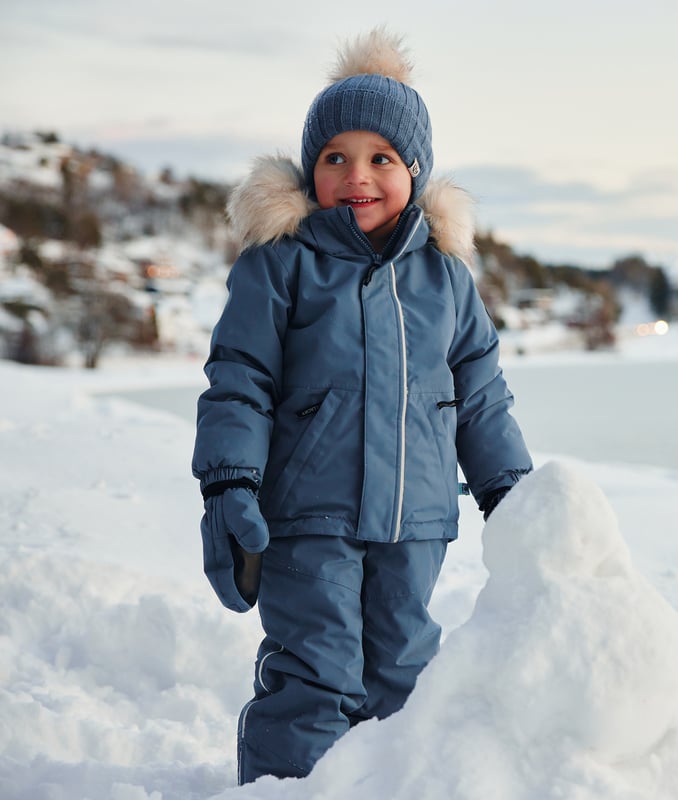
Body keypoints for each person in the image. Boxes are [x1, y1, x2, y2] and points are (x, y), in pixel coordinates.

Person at [191, 27, 533, 784]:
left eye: (382, 157)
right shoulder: (281, 268)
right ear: (310, 172)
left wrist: (512, 493)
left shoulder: (447, 281)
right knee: (315, 673)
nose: (358, 176)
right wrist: (229, 483)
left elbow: (480, 397)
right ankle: (288, 790)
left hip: (416, 522)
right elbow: (239, 380)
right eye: (335, 157)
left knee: (406, 678)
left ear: (416, 171)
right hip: (307, 517)